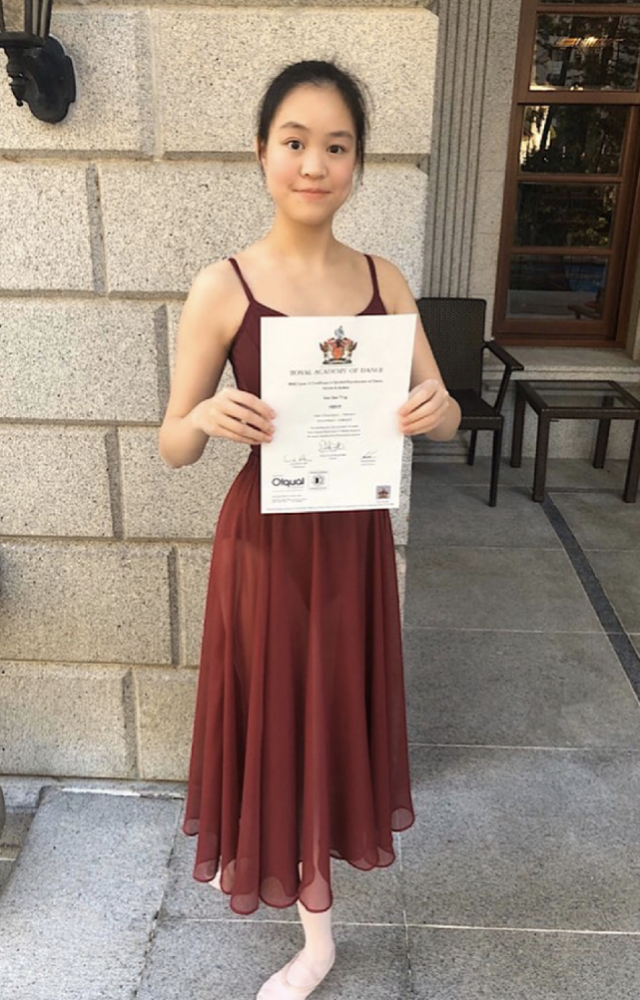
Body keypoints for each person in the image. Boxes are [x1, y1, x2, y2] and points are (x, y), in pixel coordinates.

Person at [158, 59, 461, 1000]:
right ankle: (315, 935)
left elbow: (444, 410)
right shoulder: (224, 286)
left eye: (336, 146)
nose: (314, 164)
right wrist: (204, 416)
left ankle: (319, 930)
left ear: (357, 162)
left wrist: (436, 408)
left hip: (353, 545)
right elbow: (171, 443)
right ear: (262, 151)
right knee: (281, 719)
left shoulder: (382, 280)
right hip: (266, 549)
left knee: (333, 716)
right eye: (295, 142)